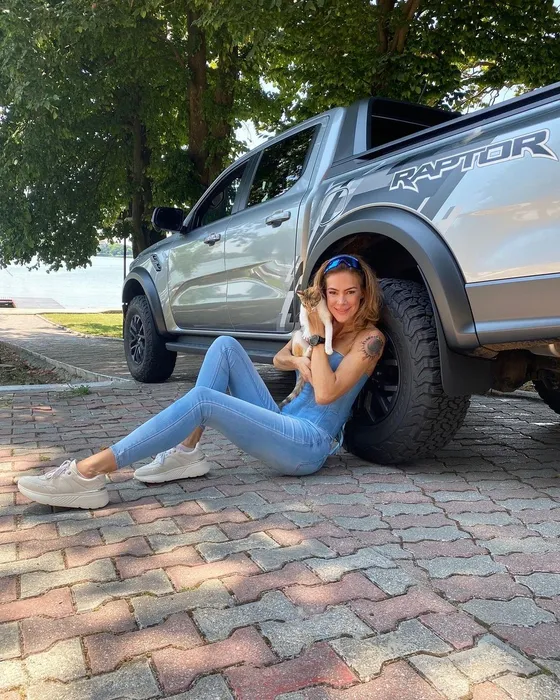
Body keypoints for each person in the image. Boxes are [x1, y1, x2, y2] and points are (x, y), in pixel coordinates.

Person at [17, 254, 385, 510]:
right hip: (281, 419)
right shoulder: (320, 329)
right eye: (333, 293)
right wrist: (298, 360)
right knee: (225, 346)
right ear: (322, 295)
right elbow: (279, 358)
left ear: (363, 294)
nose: (341, 302)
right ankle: (186, 452)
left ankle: (89, 472)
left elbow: (326, 394)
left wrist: (317, 337)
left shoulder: (370, 340)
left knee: (205, 400)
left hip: (307, 443)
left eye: (350, 293)